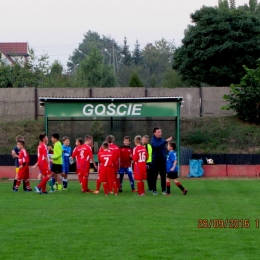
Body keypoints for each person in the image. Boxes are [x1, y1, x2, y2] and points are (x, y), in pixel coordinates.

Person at [151, 127, 172, 195]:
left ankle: (164, 189)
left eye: (160, 132)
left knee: (163, 175)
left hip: (162, 160)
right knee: (154, 176)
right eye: (158, 132)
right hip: (155, 160)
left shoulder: (162, 139)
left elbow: (163, 148)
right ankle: (154, 190)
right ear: (154, 133)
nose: (160, 133)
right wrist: (165, 141)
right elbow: (157, 146)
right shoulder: (153, 140)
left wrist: (165, 155)